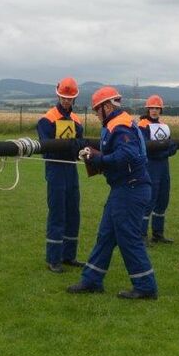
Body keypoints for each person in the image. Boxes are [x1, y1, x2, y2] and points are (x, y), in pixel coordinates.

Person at [67, 86, 158, 300]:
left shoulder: (120, 126)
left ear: (107, 106)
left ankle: (145, 286)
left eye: (97, 110)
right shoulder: (117, 123)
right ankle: (92, 280)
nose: (96, 114)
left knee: (128, 238)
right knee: (106, 235)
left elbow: (127, 155)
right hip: (125, 188)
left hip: (130, 189)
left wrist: (98, 160)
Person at [37, 77, 84, 273]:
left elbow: (80, 144)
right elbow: (46, 146)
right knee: (57, 212)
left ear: (74, 99)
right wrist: (69, 148)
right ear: (58, 96)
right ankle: (53, 258)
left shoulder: (77, 120)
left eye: (70, 98)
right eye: (64, 97)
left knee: (73, 212)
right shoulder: (47, 119)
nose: (66, 101)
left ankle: (69, 256)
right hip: (56, 169)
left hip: (71, 168)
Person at [138, 95, 177, 244]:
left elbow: (172, 146)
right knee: (149, 200)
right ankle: (141, 235)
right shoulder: (142, 125)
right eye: (152, 108)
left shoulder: (164, 126)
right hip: (150, 166)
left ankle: (158, 234)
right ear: (148, 109)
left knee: (163, 199)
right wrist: (164, 150)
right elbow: (146, 148)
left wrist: (165, 151)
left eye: (157, 108)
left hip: (164, 167)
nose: (154, 111)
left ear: (160, 109)